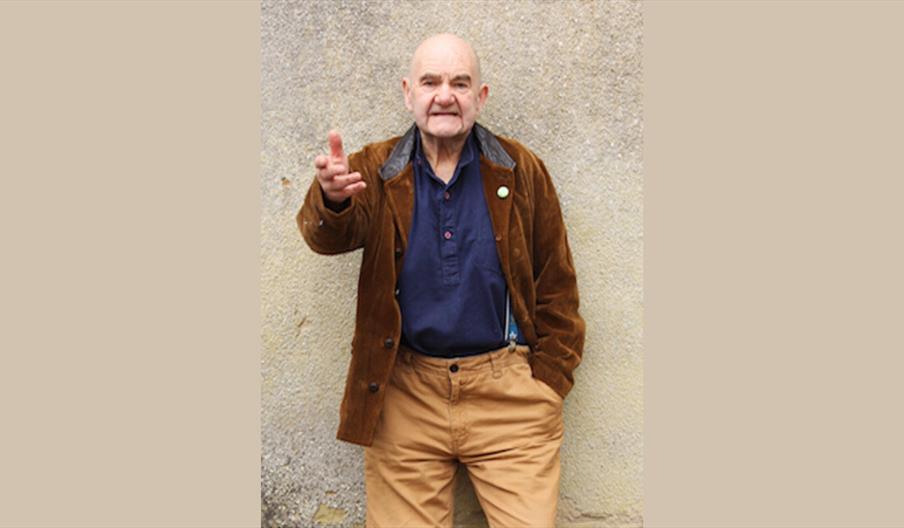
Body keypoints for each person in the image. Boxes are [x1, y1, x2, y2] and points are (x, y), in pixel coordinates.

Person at [297, 33, 585, 527]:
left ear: (481, 96)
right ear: (409, 93)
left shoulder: (521, 170)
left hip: (509, 397)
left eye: (459, 82)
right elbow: (329, 237)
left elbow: (556, 283)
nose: (444, 95)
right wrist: (334, 201)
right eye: (430, 82)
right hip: (405, 395)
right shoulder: (374, 169)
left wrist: (548, 382)